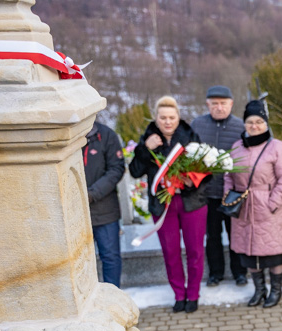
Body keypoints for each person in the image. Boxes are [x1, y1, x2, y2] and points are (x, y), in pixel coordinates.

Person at [129, 96, 207, 313]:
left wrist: (191, 181)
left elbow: (207, 171)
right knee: (170, 252)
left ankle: (193, 294)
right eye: (163, 117)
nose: (167, 122)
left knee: (195, 251)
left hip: (192, 202)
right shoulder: (147, 138)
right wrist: (145, 149)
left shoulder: (191, 137)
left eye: (171, 117)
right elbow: (134, 171)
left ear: (178, 117)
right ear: (156, 118)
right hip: (163, 206)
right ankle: (179, 294)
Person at [225, 100, 282, 308]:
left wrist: (272, 202)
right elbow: (228, 175)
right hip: (244, 208)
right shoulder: (236, 147)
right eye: (249, 121)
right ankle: (259, 290)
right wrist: (229, 197)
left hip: (270, 208)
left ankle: (276, 290)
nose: (254, 126)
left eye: (258, 121)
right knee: (249, 252)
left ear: (265, 123)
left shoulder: (277, 147)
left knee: (275, 252)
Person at [191, 85, 247, 287]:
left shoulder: (240, 127)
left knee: (235, 235)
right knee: (212, 236)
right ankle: (215, 273)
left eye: (223, 103)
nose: (219, 107)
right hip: (206, 193)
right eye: (214, 104)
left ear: (231, 104)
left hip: (232, 193)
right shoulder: (197, 125)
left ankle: (240, 272)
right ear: (208, 104)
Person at [83, 121, 126, 287]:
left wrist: (92, 194)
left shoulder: (107, 135)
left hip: (105, 211)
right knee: (79, 260)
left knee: (110, 257)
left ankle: (113, 298)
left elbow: (116, 169)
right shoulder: (64, 135)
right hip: (74, 213)